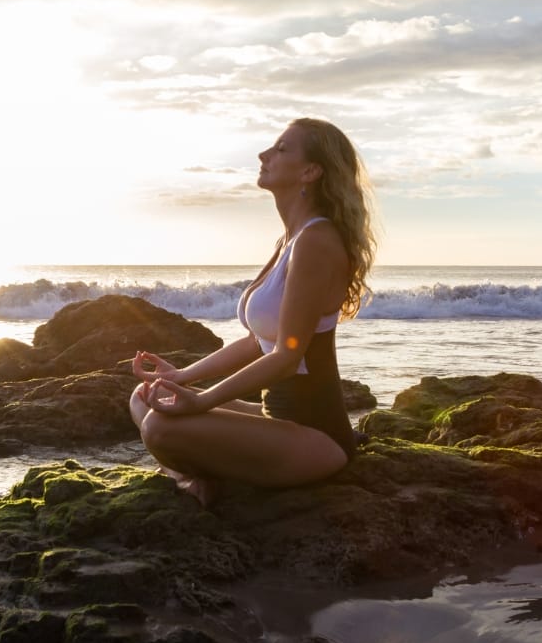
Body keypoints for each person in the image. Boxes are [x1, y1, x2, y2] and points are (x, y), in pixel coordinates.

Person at [129, 117, 377, 505]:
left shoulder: (316, 240)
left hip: (315, 437)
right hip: (274, 420)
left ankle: (192, 478)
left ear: (310, 171)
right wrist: (182, 375)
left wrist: (202, 400)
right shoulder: (291, 239)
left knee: (161, 427)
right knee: (146, 395)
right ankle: (193, 476)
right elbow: (257, 341)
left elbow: (286, 355)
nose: (264, 155)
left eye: (280, 149)